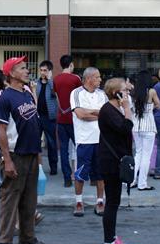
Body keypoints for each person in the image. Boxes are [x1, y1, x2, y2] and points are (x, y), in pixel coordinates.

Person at [0, 57, 45, 244]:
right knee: (10, 198)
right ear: (11, 73)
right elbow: (1, 130)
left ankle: (28, 237)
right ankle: (5, 239)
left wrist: (38, 154)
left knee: (30, 200)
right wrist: (7, 160)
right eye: (22, 68)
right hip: (15, 154)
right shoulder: (5, 97)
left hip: (31, 153)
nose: (27, 71)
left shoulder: (27, 94)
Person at [97, 78, 134, 244]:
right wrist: (127, 109)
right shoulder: (108, 110)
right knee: (111, 202)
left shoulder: (114, 109)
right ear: (116, 93)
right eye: (124, 90)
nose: (127, 93)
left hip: (116, 160)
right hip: (110, 162)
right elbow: (125, 128)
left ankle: (112, 238)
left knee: (115, 201)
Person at [70, 67, 107, 217]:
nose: (100, 80)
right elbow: (80, 114)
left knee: (100, 173)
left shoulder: (102, 94)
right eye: (97, 77)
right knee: (80, 173)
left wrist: (89, 111)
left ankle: (100, 201)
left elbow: (107, 113)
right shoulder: (76, 93)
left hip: (101, 140)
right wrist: (98, 113)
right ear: (89, 78)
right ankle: (79, 202)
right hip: (84, 140)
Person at [53, 55, 82, 188]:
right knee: (80, 147)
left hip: (61, 118)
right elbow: (80, 96)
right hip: (74, 119)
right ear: (71, 64)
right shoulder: (76, 79)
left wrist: (62, 110)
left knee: (64, 150)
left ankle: (67, 178)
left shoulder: (56, 79)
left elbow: (56, 97)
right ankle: (80, 175)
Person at [130, 69, 160, 191]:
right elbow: (159, 105)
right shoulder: (151, 91)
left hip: (136, 126)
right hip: (148, 127)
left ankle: (131, 181)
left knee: (138, 153)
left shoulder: (133, 92)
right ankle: (142, 183)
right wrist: (151, 108)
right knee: (146, 156)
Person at [35, 60, 59, 176]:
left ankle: (53, 167)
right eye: (41, 70)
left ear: (50, 71)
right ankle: (36, 166)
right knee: (35, 142)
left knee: (51, 143)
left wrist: (49, 80)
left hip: (50, 117)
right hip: (38, 116)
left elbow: (55, 94)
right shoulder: (37, 83)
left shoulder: (53, 83)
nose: (42, 72)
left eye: (45, 70)